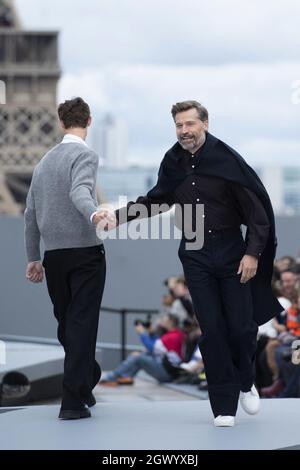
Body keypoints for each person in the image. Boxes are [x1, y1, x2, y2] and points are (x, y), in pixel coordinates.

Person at [98, 100, 283, 427]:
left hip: (232, 251)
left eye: (190, 124)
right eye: (179, 125)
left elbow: (256, 214)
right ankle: (223, 406)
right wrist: (118, 216)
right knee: (211, 330)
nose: (184, 131)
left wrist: (253, 253)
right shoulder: (173, 161)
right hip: (195, 250)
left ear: (205, 124)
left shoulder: (227, 160)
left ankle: (245, 381)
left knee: (241, 328)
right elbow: (156, 200)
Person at [24, 97, 105, 420]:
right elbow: (80, 192)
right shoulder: (85, 155)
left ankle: (84, 380)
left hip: (53, 257)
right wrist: (95, 215)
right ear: (89, 121)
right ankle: (72, 401)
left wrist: (33, 257)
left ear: (60, 122)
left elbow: (30, 214)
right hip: (85, 253)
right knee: (82, 326)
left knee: (68, 325)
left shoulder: (43, 163)